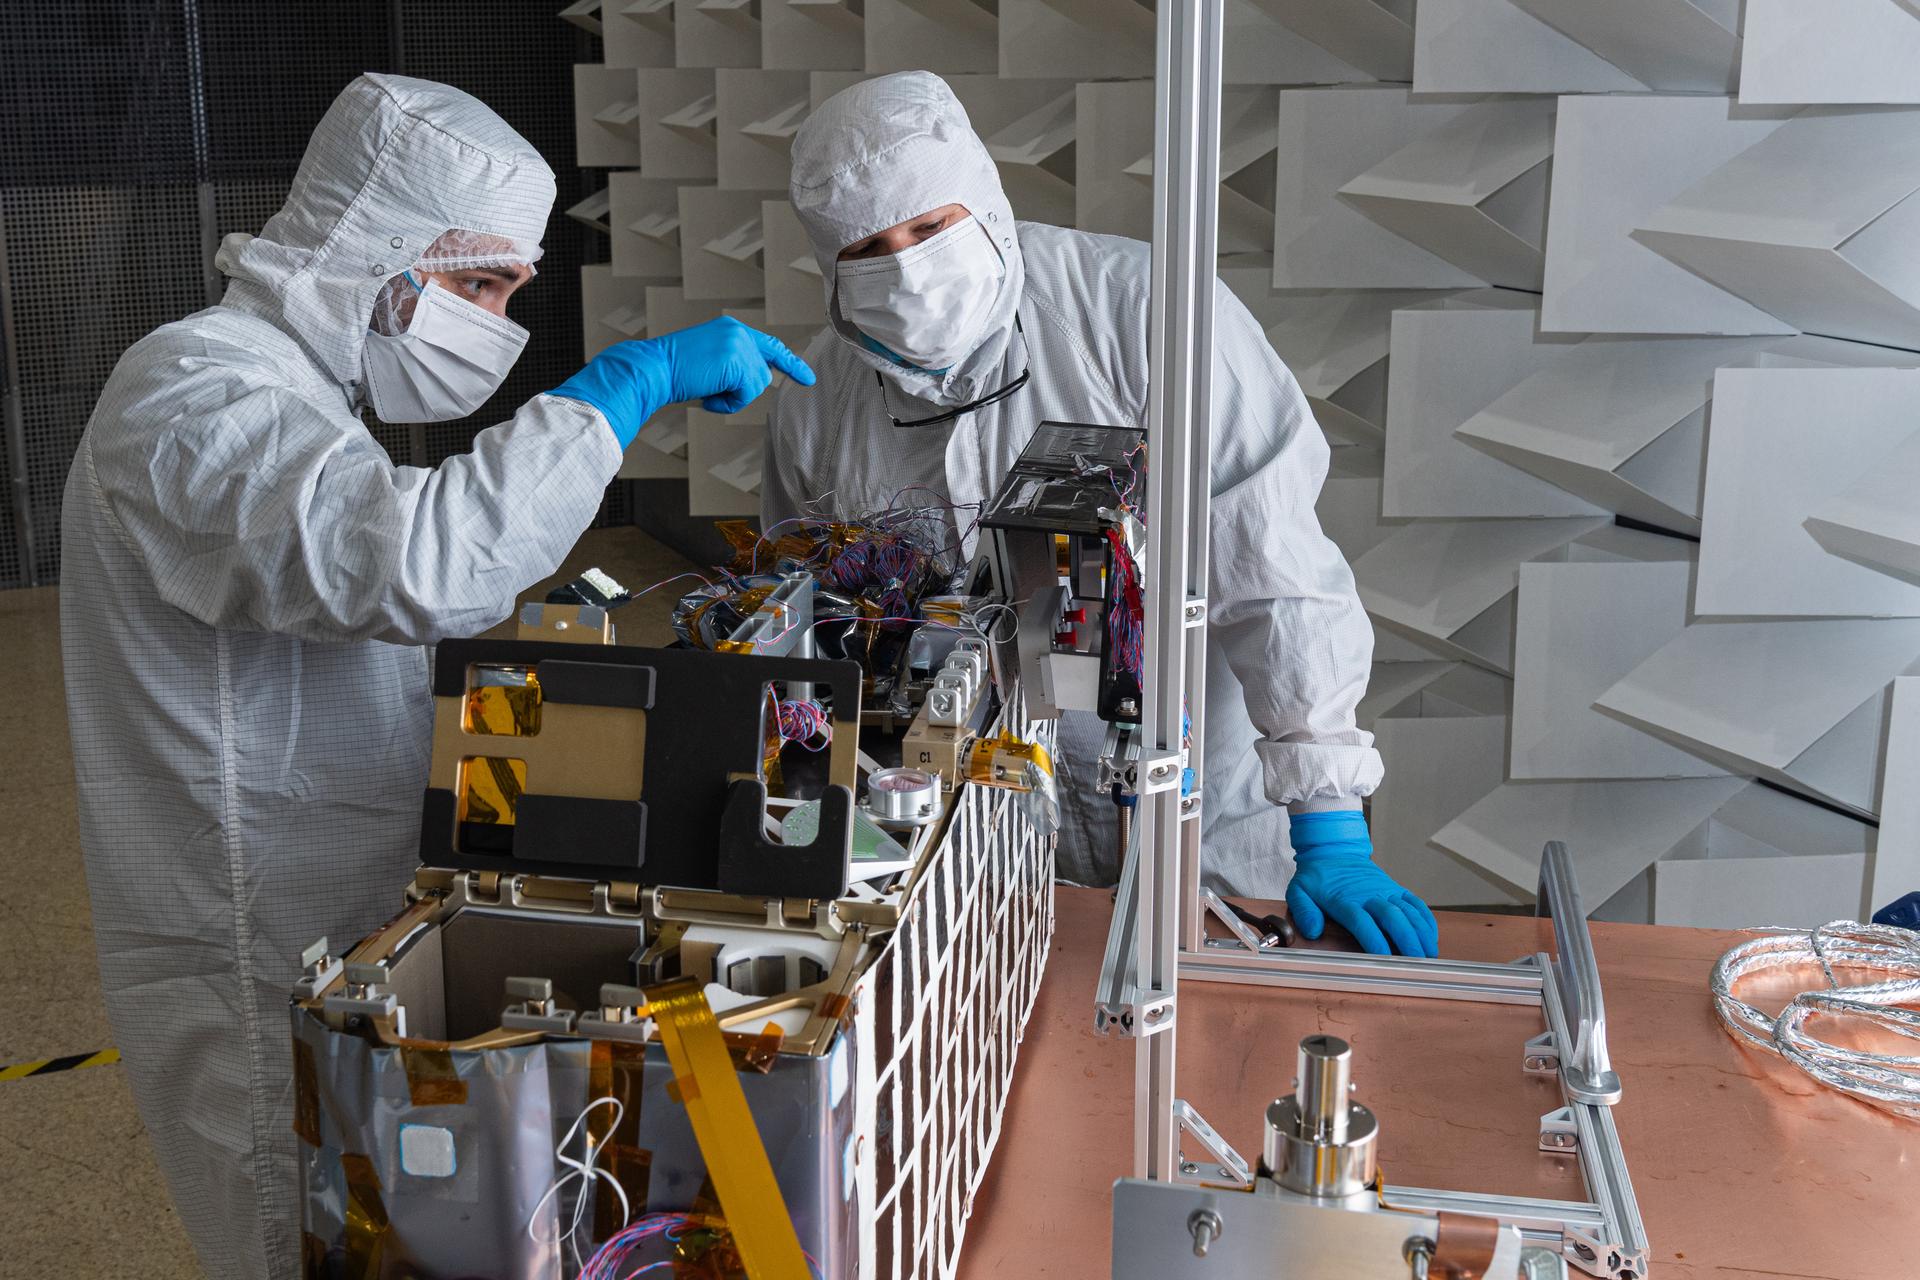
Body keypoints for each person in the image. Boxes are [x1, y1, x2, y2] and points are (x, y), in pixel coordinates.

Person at [59, 74, 811, 1280]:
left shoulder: (301, 400)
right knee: (294, 1240)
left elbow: (362, 638)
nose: (500, 324)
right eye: (479, 284)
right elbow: (410, 561)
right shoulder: (190, 396)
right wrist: (616, 393)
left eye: (516, 292)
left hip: (347, 918)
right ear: (374, 248)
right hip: (256, 951)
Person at [765, 72, 1436, 961]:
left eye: (930, 228)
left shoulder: (1142, 311)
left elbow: (1270, 563)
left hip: (1201, 819)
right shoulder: (817, 402)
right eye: (869, 251)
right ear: (828, 266)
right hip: (977, 839)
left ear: (986, 201)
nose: (910, 269)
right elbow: (810, 626)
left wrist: (1329, 820)